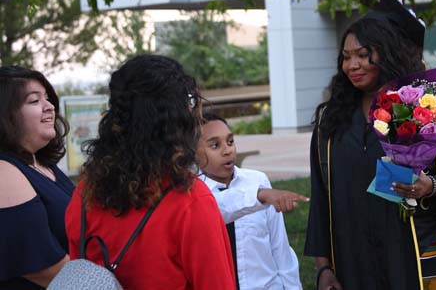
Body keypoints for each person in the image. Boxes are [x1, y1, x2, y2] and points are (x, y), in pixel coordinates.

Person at [305, 0, 436, 290]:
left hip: (411, 252)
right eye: (346, 57)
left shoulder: (427, 107)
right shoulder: (332, 120)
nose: (352, 65)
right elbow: (321, 194)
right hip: (353, 260)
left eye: (363, 55)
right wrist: (324, 267)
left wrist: (431, 186)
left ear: (388, 52)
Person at [65, 54, 301, 289]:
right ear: (176, 121)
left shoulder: (85, 192)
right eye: (190, 101)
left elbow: (80, 275)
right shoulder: (191, 201)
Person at [197, 112, 302, 290]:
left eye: (230, 142)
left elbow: (280, 247)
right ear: (193, 153)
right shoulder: (192, 194)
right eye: (215, 145)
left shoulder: (258, 181)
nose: (227, 150)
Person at [0, 66, 74, 289]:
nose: (50, 107)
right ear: (6, 114)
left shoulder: (43, 164)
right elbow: (43, 268)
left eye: (48, 98)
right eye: (34, 101)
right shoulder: (4, 172)